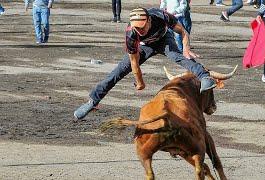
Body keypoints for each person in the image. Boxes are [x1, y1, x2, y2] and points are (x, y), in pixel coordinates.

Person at [74, 7, 217, 120]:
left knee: (177, 56)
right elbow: (134, 63)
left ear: (149, 20)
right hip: (144, 46)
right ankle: (93, 101)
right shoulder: (131, 34)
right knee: (118, 71)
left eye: (142, 27)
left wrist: (186, 49)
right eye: (137, 28)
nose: (140, 30)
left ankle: (205, 76)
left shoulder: (162, 16)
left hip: (163, 39)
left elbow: (183, 32)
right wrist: (140, 82)